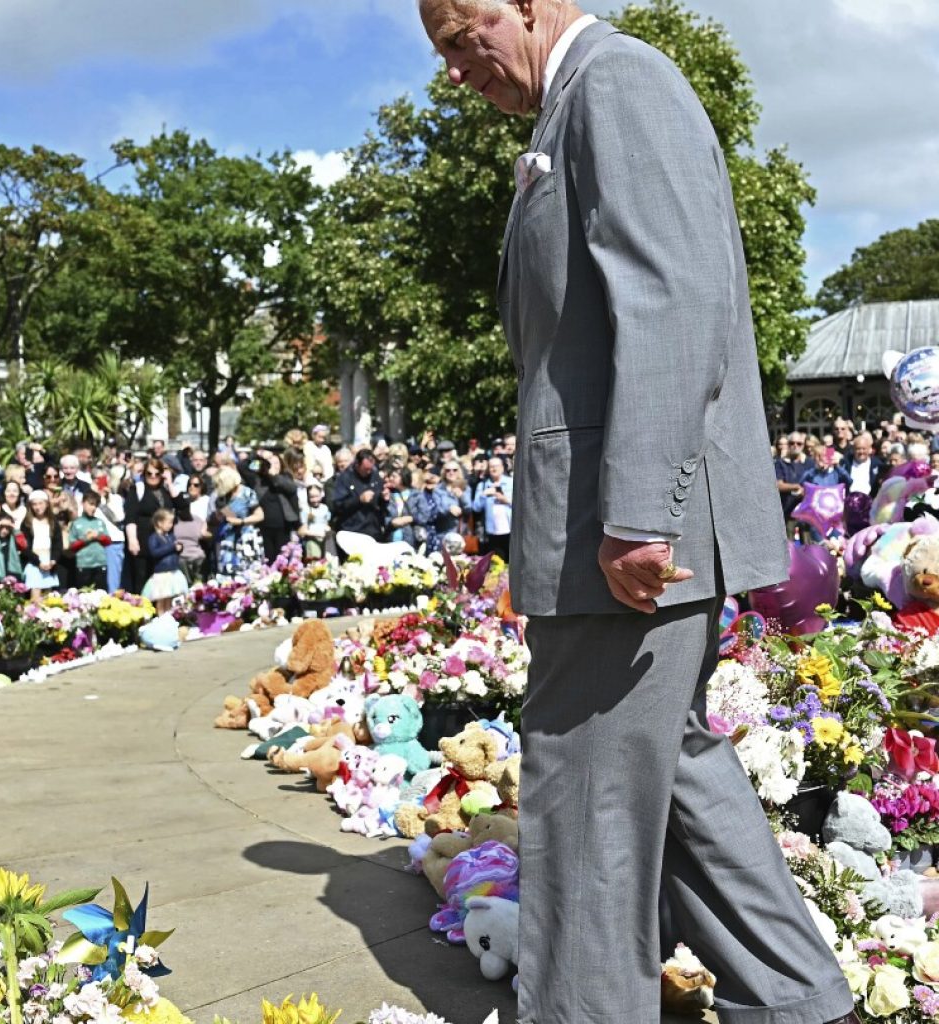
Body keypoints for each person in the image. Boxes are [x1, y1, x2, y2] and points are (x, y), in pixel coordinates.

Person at [418, 4, 857, 1024]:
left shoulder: (612, 85)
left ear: (526, 4)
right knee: (672, 774)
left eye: (457, 33)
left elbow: (669, 301)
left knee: (582, 789)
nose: (453, 67)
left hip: (617, 536)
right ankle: (800, 999)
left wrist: (636, 514)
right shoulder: (576, 104)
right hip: (613, 527)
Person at [123, 458, 181, 594]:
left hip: (163, 544)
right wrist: (132, 539)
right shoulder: (137, 489)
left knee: (162, 585)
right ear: (144, 474)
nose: (153, 477)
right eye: (149, 473)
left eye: (157, 473)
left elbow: (183, 507)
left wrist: (170, 483)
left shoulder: (165, 490)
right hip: (143, 542)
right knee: (142, 581)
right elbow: (130, 516)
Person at [211, 466, 264, 576]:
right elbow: (226, 517)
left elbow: (259, 515)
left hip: (246, 538)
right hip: (229, 539)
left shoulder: (247, 493)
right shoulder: (222, 498)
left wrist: (241, 521)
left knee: (249, 573)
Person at [332, 448, 387, 541]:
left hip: (372, 530)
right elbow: (338, 505)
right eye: (366, 469)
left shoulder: (375, 475)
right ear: (357, 464)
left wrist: (384, 497)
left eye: (371, 468)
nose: (369, 472)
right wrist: (359, 500)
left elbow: (380, 502)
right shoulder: (344, 478)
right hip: (352, 530)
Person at [142, 508, 188, 613]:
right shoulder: (154, 538)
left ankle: (169, 616)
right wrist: (172, 547)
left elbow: (174, 549)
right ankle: (161, 617)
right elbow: (154, 552)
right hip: (161, 574)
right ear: (159, 523)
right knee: (161, 598)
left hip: (173, 572)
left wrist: (179, 549)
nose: (171, 525)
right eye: (169, 522)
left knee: (170, 597)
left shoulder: (171, 537)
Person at [19, 490, 63, 599]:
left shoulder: (53, 522)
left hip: (49, 562)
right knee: (36, 595)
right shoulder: (27, 523)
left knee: (49, 596)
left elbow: (58, 544)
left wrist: (53, 560)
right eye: (34, 504)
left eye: (40, 503)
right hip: (35, 562)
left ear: (47, 504)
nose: (38, 507)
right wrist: (38, 562)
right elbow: (24, 547)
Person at [472, 455, 513, 561]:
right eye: (491, 467)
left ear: (502, 468)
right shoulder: (482, 485)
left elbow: (522, 505)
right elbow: (476, 508)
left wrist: (506, 500)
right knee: (496, 562)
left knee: (512, 560)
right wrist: (484, 495)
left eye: (497, 466)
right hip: (491, 532)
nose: (494, 469)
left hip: (510, 529)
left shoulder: (512, 482)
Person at [68, 490, 111, 590]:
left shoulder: (99, 522)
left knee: (101, 594)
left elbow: (108, 541)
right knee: (84, 595)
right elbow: (72, 546)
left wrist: (98, 537)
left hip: (100, 563)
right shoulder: (77, 523)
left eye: (95, 505)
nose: (93, 508)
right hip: (84, 565)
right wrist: (85, 539)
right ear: (83, 503)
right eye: (91, 504)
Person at [299, 482, 334, 560]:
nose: (315, 500)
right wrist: (316, 534)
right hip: (312, 541)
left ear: (321, 494)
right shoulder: (306, 510)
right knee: (315, 563)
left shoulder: (324, 508)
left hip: (324, 540)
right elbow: (302, 531)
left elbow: (326, 524)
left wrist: (328, 530)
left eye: (317, 496)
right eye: (312, 497)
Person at [844, 431, 885, 497]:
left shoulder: (877, 464)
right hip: (850, 500)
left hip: (870, 501)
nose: (861, 451)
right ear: (853, 449)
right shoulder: (845, 463)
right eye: (858, 449)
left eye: (864, 448)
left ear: (869, 449)